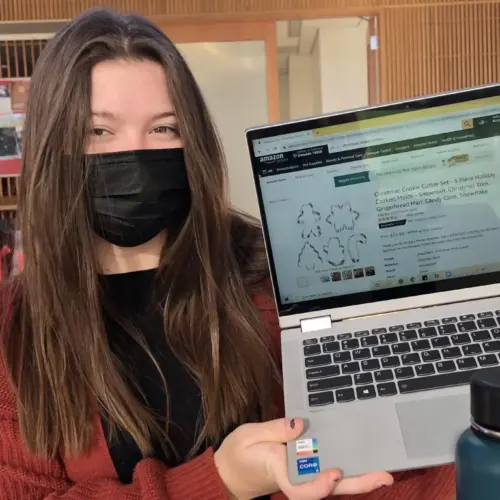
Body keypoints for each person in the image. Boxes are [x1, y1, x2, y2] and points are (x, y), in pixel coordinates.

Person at [0, 8, 454, 500]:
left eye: (165, 129)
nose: (134, 155)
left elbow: (361, 458)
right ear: (52, 146)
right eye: (99, 132)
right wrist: (221, 481)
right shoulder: (16, 329)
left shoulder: (269, 274)